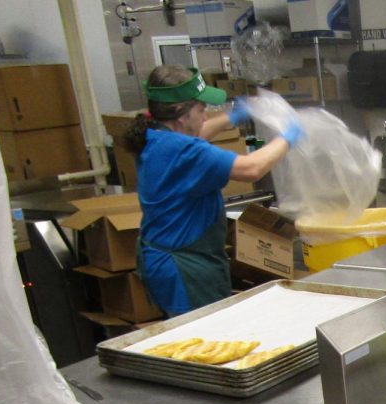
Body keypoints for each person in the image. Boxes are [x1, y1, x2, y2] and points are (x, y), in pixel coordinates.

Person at [121, 65, 304, 316]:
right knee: (198, 341)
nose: (206, 116)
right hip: (183, 268)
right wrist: (288, 137)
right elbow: (252, 168)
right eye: (201, 108)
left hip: (163, 255)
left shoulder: (155, 134)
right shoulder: (184, 152)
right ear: (180, 113)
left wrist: (233, 116)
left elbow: (197, 132)